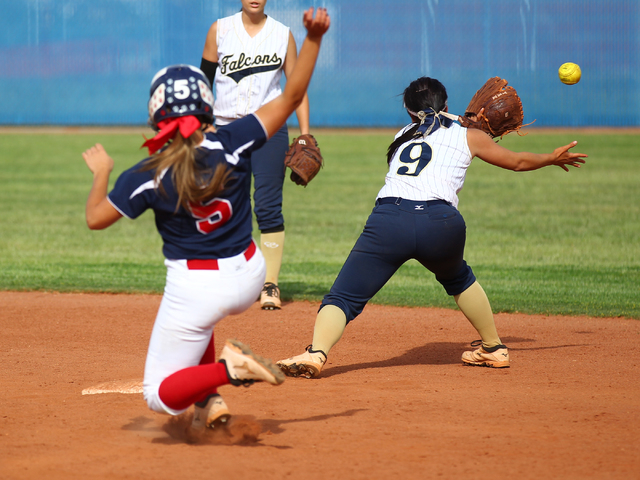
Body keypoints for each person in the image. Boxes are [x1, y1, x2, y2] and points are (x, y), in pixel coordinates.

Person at [81, 8, 330, 429]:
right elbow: (290, 96)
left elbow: (95, 219)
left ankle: (228, 370)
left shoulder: (146, 175)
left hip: (195, 288)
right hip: (249, 275)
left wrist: (102, 172)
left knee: (159, 397)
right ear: (207, 105)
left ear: (155, 115)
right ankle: (209, 399)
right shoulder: (233, 141)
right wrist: (315, 38)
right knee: (202, 321)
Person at [277, 76, 587, 378]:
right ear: (446, 102)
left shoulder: (403, 134)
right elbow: (517, 162)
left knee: (343, 297)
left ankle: (316, 354)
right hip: (442, 224)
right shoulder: (470, 135)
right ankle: (493, 348)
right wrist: (550, 158)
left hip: (389, 221)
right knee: (458, 278)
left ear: (410, 111)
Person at [200, 0, 312, 310]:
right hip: (225, 129)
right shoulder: (220, 30)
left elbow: (296, 89)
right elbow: (203, 83)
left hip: (268, 128)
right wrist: (204, 124)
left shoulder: (281, 34)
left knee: (267, 206)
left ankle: (270, 284)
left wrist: (304, 134)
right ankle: (227, 277)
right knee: (223, 205)